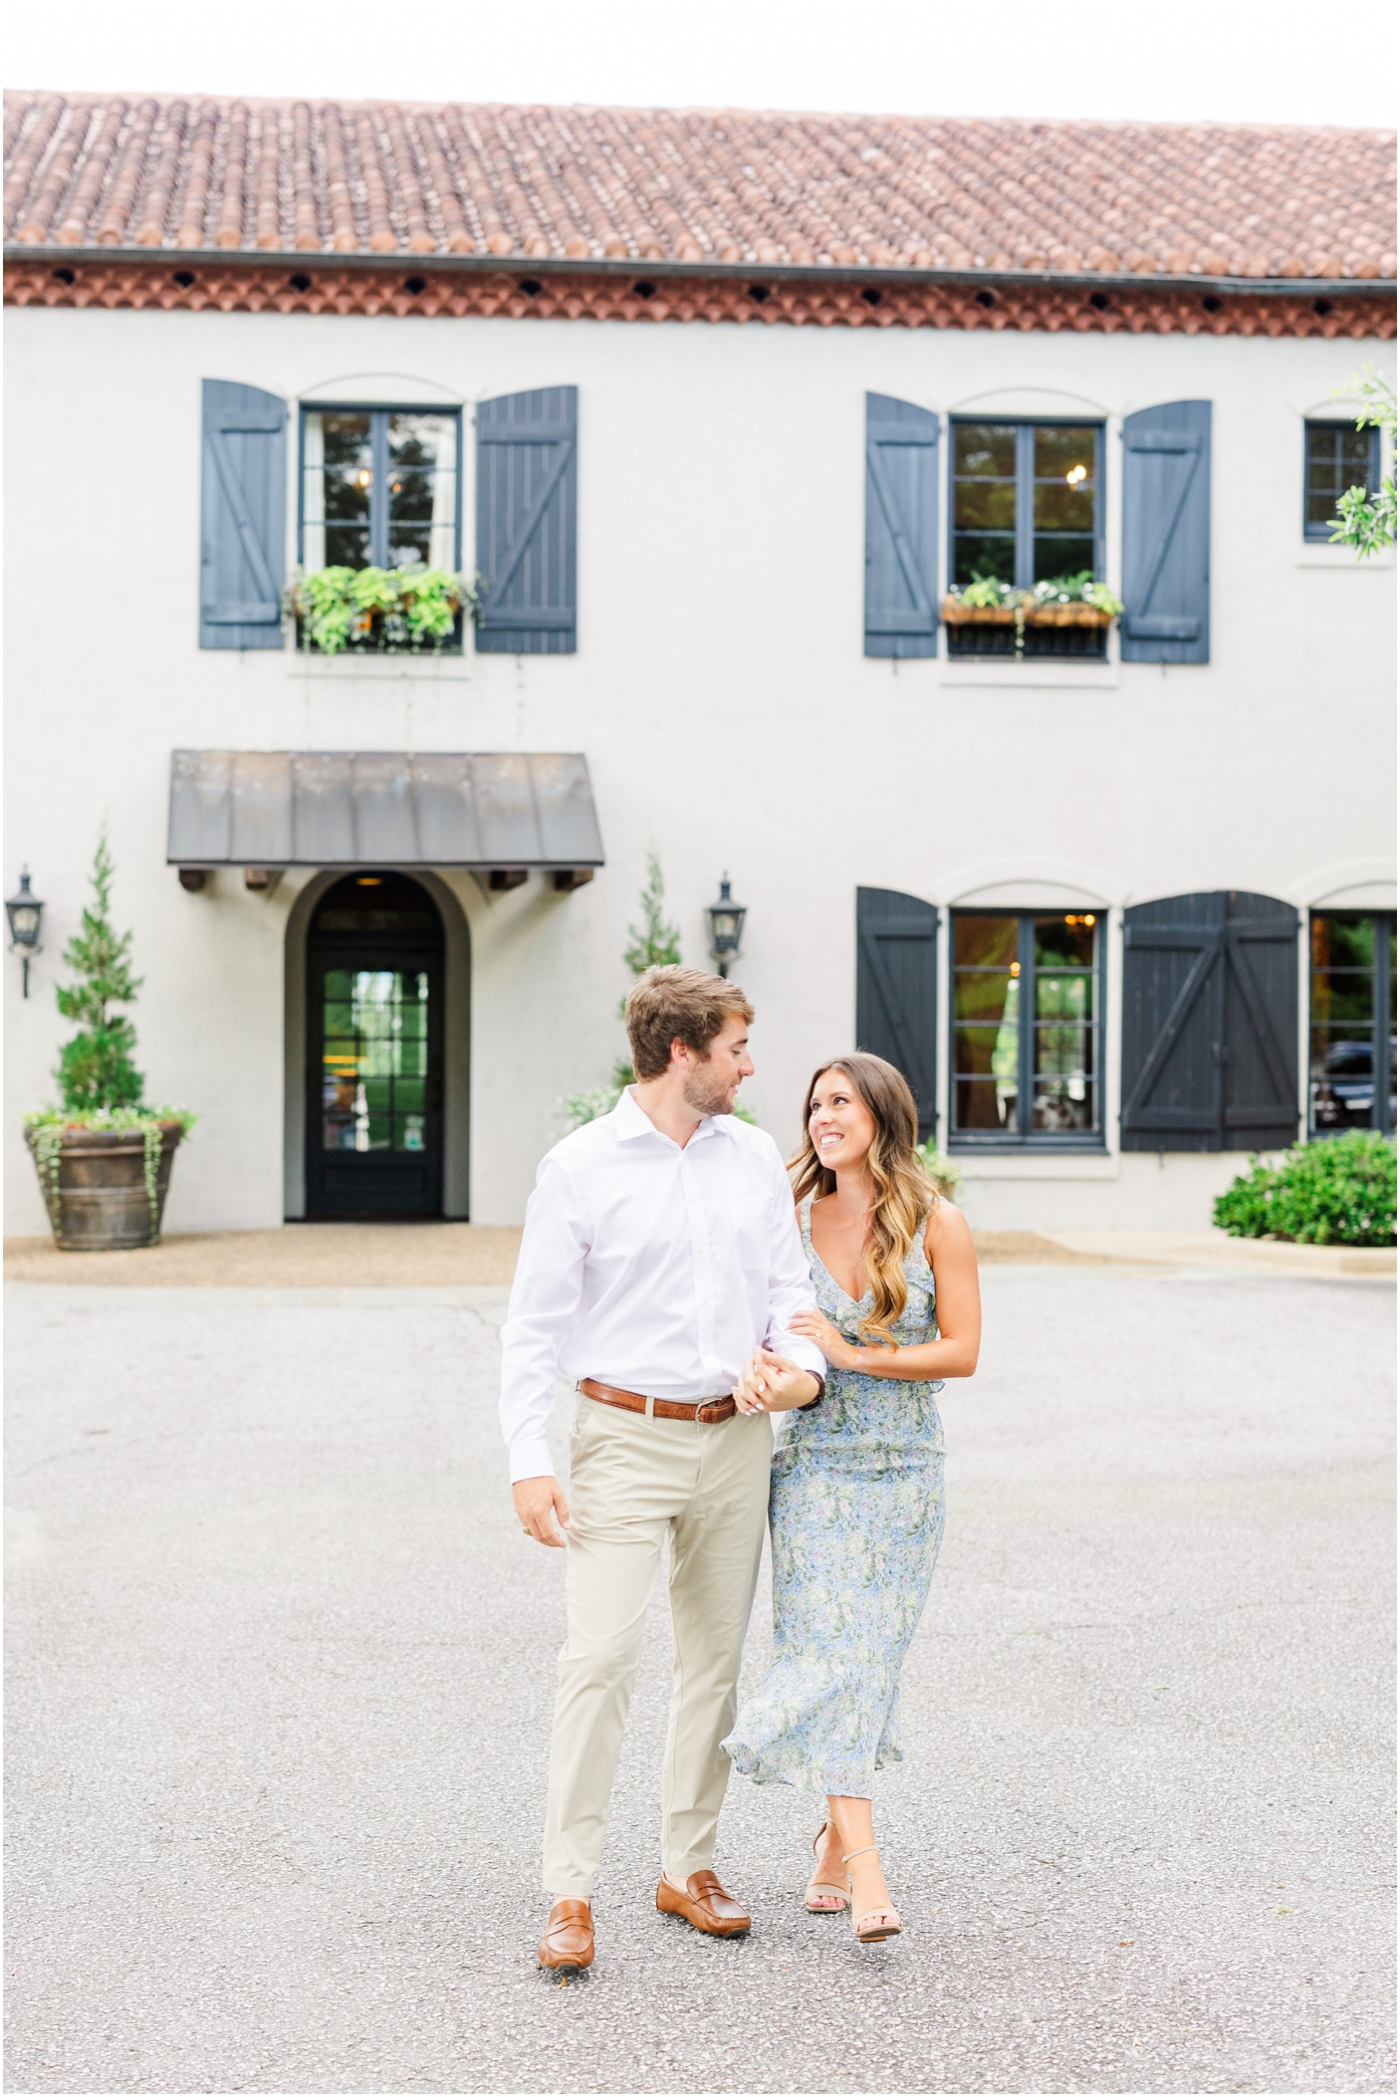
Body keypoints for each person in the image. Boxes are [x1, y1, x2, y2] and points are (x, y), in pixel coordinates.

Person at [501, 965, 828, 1976]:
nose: (750, 1064)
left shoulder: (751, 1157)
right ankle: (570, 1890)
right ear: (681, 1052)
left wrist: (799, 1372)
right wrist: (527, 1460)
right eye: (734, 1047)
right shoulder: (578, 1167)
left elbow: (790, 1293)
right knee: (596, 1659)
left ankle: (688, 1866)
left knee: (712, 1666)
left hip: (735, 1438)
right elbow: (533, 1328)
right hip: (621, 1438)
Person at [722, 1052, 981, 1944]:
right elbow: (750, 1325)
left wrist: (855, 1349)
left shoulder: (936, 1219)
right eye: (815, 1104)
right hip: (818, 1469)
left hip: (907, 1469)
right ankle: (869, 1872)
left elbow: (963, 1350)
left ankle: (835, 1840)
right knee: (831, 1650)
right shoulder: (787, 1220)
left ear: (881, 1113)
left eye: (841, 1100)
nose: (823, 1115)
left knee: (870, 1658)